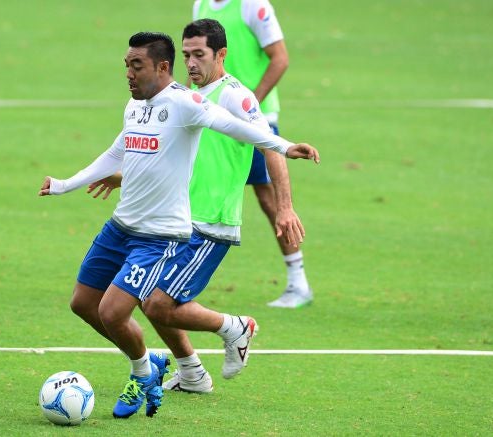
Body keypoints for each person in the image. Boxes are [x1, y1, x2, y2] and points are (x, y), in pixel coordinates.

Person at [39, 32, 319, 417]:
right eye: (127, 65)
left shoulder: (205, 100)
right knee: (98, 304)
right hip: (131, 224)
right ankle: (187, 369)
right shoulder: (141, 105)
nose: (129, 73)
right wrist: (70, 184)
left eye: (197, 53)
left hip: (182, 226)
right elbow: (127, 149)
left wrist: (284, 148)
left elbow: (238, 128)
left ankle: (165, 360)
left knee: (134, 307)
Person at [195, 0, 314, 308]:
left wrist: (250, 110)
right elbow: (197, 62)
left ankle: (298, 282)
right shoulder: (202, 5)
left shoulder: (252, 6)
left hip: (250, 116)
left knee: (267, 197)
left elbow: (280, 59)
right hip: (213, 117)